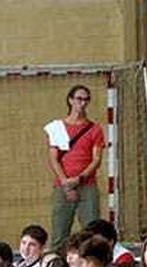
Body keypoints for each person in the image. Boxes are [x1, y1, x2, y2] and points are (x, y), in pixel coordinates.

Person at [45, 86, 106, 244]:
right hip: (62, 185)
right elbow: (53, 158)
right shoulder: (57, 127)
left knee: (92, 232)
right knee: (59, 232)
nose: (82, 103)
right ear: (70, 100)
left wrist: (79, 178)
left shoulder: (95, 129)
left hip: (87, 185)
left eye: (86, 99)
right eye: (79, 99)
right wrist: (66, 183)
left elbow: (96, 159)